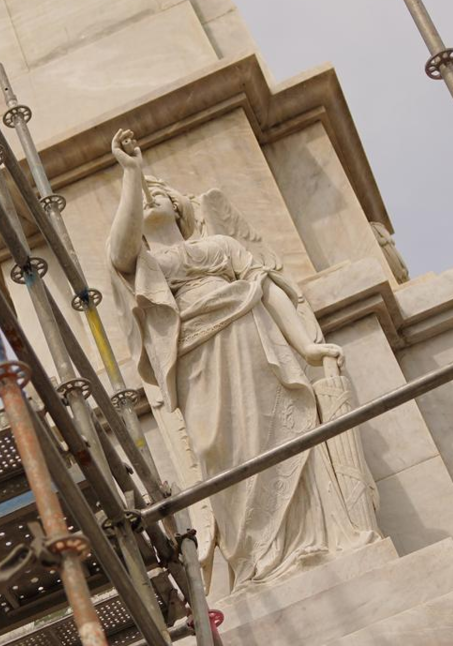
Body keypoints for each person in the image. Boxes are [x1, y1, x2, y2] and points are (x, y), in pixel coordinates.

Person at [106, 128, 376, 592]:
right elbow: (121, 250)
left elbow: (268, 290)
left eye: (158, 192)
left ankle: (309, 540)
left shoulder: (224, 247)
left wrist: (307, 347)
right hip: (197, 361)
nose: (150, 198)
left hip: (253, 343)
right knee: (221, 452)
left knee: (282, 430)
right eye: (142, 197)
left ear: (179, 207)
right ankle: (257, 559)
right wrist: (132, 173)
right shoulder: (144, 265)